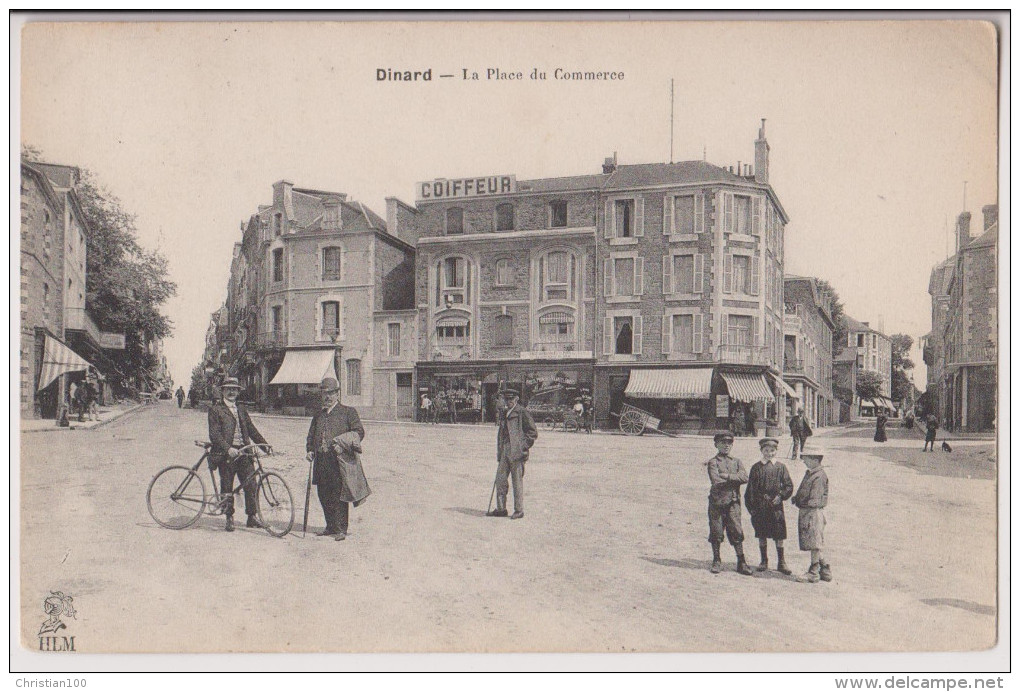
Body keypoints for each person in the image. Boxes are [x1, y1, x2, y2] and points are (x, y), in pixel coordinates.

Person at [306, 377, 365, 541]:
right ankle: (330, 526)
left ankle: (341, 529)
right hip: (321, 460)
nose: (327, 397)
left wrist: (344, 444)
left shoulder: (348, 412)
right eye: (325, 393)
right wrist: (310, 450)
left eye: (331, 393)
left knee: (339, 494)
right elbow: (311, 435)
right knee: (323, 494)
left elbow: (359, 432)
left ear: (337, 394)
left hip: (338, 460)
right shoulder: (318, 414)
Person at [207, 377, 270, 532]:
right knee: (227, 485)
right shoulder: (216, 409)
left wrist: (265, 445)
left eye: (234, 389)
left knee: (251, 484)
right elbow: (214, 435)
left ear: (238, 391)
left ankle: (252, 516)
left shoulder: (241, 409)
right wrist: (228, 448)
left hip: (244, 452)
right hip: (226, 454)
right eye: (228, 388)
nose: (231, 392)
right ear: (222, 391)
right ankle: (229, 517)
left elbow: (251, 428)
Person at [744, 437, 794, 575]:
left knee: (779, 534)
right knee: (762, 533)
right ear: (761, 451)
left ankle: (781, 562)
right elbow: (751, 490)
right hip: (761, 507)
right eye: (766, 450)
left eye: (772, 450)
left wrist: (781, 496)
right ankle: (763, 560)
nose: (769, 453)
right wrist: (753, 508)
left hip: (776, 507)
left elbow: (789, 485)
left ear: (776, 451)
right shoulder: (756, 468)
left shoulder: (781, 467)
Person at [706, 431, 753, 575]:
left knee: (736, 530)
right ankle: (716, 560)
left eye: (729, 443)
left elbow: (745, 477)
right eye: (722, 443)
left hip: (733, 502)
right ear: (716, 445)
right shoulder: (713, 462)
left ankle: (741, 562)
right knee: (716, 531)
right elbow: (716, 480)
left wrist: (727, 476)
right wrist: (734, 479)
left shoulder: (736, 461)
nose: (726, 446)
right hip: (717, 502)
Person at [486, 389, 538, 520]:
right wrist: (500, 451)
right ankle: (501, 508)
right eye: (506, 399)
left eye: (511, 399)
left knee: (517, 481)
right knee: (500, 479)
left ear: (516, 399)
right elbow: (501, 434)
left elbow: (532, 432)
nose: (508, 402)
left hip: (517, 452)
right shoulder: (504, 413)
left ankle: (519, 510)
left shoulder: (522, 412)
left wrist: (522, 447)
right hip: (504, 450)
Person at [792, 453, 830, 583]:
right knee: (814, 540)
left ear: (815, 460)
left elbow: (814, 500)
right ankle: (824, 569)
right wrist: (796, 498)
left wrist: (800, 502)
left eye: (806, 459)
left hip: (813, 512)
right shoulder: (810, 473)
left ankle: (813, 572)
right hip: (808, 511)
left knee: (814, 542)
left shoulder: (818, 476)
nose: (804, 461)